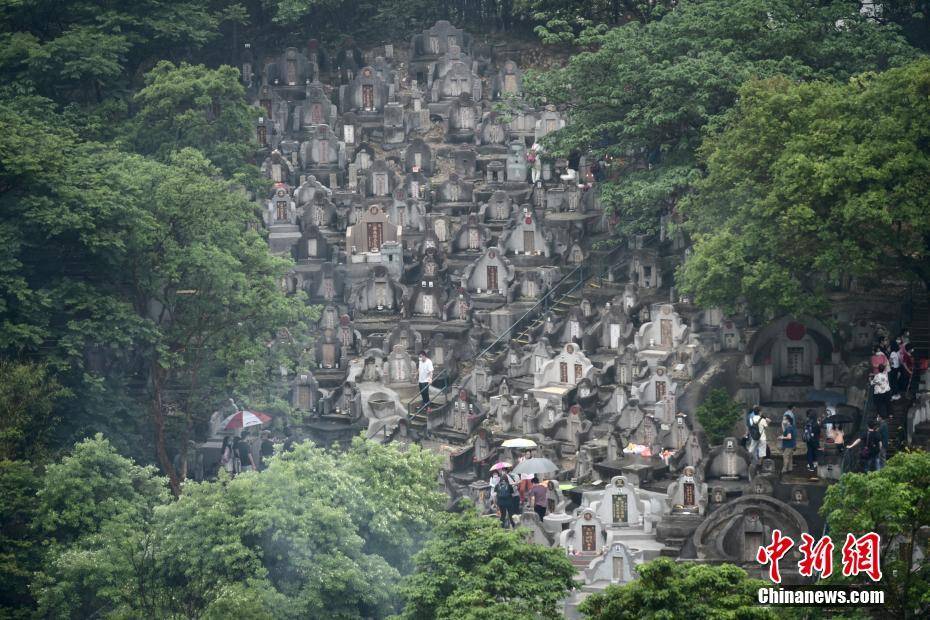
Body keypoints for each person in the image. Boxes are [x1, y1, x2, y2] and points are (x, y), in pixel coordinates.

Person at [747, 409, 769, 477]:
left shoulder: (751, 418)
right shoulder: (762, 420)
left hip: (754, 437)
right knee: (762, 453)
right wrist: (766, 421)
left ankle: (751, 463)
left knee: (751, 450)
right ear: (759, 412)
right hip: (762, 438)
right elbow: (766, 427)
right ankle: (759, 465)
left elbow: (749, 426)